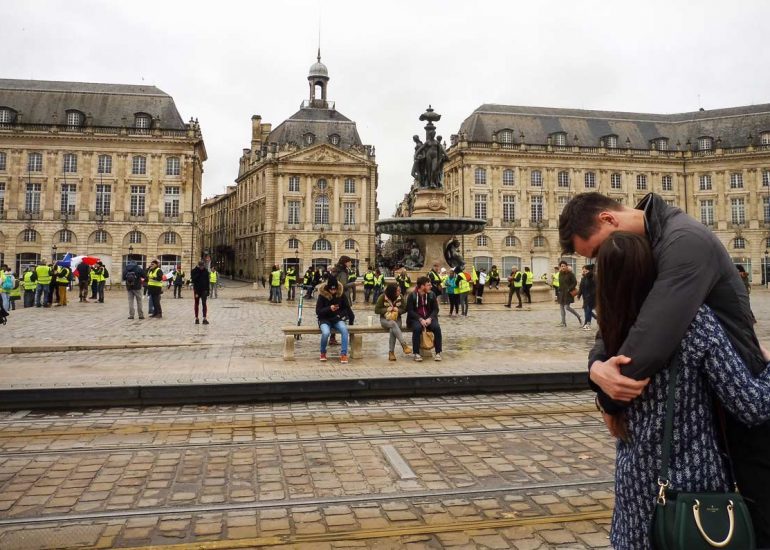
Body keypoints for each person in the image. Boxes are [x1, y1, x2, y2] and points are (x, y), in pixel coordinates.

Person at [559, 191, 770, 544]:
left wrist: (609, 396)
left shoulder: (682, 241)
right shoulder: (653, 246)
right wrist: (597, 371)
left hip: (734, 417)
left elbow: (648, 337)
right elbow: (630, 330)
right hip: (716, 426)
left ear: (608, 220)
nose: (601, 263)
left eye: (597, 252)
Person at [316, 275, 351, 363]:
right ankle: (323, 353)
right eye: (331, 289)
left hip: (337, 319)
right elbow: (318, 311)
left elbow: (346, 309)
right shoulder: (322, 296)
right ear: (328, 288)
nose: (333, 291)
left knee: (344, 330)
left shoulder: (341, 295)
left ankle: (343, 354)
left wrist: (339, 316)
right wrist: (329, 308)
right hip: (324, 319)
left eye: (334, 289)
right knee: (326, 333)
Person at [406, 276, 442, 362]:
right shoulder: (412, 295)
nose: (431, 286)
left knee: (437, 328)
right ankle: (416, 353)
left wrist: (430, 318)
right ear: (422, 286)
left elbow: (435, 309)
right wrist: (420, 319)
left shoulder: (431, 294)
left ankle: (438, 352)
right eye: (428, 285)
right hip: (416, 319)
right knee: (417, 328)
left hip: (429, 318)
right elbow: (410, 311)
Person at [374, 283, 412, 361]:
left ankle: (391, 353)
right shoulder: (382, 297)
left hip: (397, 319)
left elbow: (405, 308)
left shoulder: (400, 297)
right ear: (392, 291)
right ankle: (404, 345)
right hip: (385, 320)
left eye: (399, 290)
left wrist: (398, 310)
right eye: (398, 290)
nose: (399, 291)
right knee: (393, 324)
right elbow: (376, 310)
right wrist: (385, 309)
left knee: (392, 330)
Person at [555, 261, 581, 327]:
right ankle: (563, 323)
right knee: (561, 307)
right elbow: (560, 283)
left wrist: (569, 289)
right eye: (561, 266)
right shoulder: (560, 274)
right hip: (561, 293)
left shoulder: (570, 274)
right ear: (560, 267)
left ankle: (578, 315)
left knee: (567, 307)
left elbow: (574, 282)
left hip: (568, 293)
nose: (563, 267)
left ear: (566, 266)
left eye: (564, 266)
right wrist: (559, 289)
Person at [577, 264, 596, 330]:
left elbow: (595, 287)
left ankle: (588, 324)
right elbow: (581, 287)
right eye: (583, 271)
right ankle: (586, 323)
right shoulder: (584, 278)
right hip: (585, 297)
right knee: (586, 310)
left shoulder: (593, 277)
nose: (584, 272)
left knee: (588, 310)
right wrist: (579, 295)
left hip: (591, 297)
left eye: (585, 271)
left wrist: (592, 294)